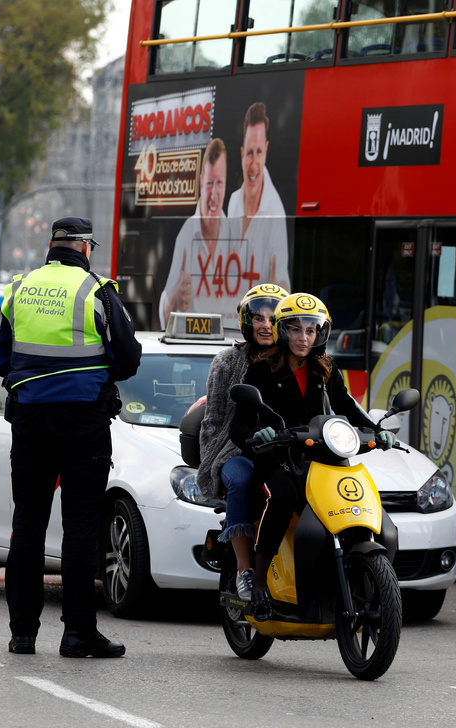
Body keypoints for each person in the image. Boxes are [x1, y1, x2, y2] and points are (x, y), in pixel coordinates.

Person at [0, 216, 142, 658]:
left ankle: (22, 633)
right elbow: (128, 358)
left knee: (27, 523)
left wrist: (35, 378)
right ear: (85, 247)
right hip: (83, 422)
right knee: (80, 526)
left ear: (52, 245)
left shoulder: (19, 289)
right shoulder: (97, 291)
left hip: (30, 420)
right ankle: (78, 633)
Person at [229, 293, 397, 618]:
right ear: (283, 330)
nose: (303, 338)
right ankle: (259, 583)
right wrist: (255, 437)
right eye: (295, 329)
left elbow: (348, 408)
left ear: (320, 333)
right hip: (276, 457)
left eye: (310, 330)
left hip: (319, 457)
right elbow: (239, 424)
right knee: (283, 496)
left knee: (346, 499)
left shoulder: (326, 370)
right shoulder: (262, 370)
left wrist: (377, 431)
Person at [197, 283, 287, 601]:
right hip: (233, 451)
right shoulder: (226, 361)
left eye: (272, 318)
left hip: (283, 450)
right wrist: (211, 463)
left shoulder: (294, 358)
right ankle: (245, 570)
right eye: (258, 318)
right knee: (241, 479)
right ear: (247, 322)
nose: (265, 325)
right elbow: (212, 420)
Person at [158, 138, 241, 326]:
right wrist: (175, 299)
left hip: (227, 340)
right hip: (192, 341)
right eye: (210, 183)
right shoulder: (186, 235)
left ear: (225, 184)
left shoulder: (235, 235)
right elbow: (165, 316)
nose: (214, 194)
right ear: (201, 182)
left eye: (219, 183)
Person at [227, 102, 290, 294]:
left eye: (259, 152)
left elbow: (281, 277)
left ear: (266, 151)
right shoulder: (233, 202)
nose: (253, 164)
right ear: (241, 154)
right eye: (249, 153)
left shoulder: (275, 211)